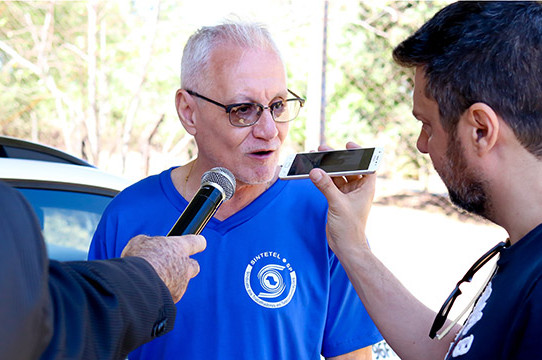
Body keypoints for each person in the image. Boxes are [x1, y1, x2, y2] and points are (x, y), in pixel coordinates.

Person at [308, 2, 542, 360]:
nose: (421, 145)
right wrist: (353, 247)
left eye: (427, 125)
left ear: (481, 129)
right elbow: (457, 352)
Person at [89, 21, 382, 359]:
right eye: (243, 110)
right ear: (188, 112)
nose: (270, 131)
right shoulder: (126, 216)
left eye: (278, 106)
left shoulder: (325, 215)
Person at [0, 161, 205, 360]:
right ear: (188, 112)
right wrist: (149, 276)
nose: (259, 129)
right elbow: (50, 326)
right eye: (241, 110)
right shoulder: (127, 209)